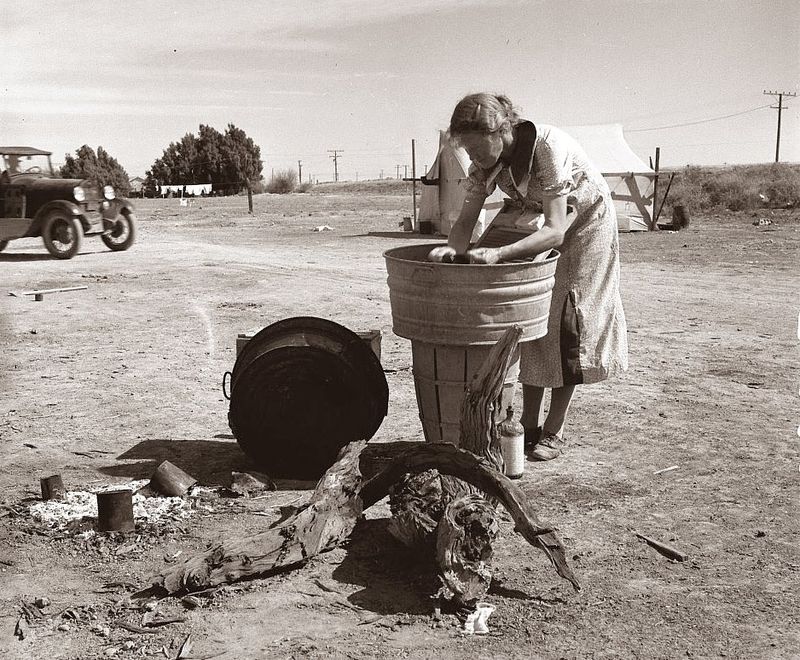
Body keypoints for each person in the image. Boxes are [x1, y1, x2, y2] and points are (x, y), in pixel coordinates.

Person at [429, 92, 628, 461]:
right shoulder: (484, 164)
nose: (473, 158)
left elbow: (555, 230)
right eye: (468, 151)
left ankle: (555, 428)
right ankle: (528, 422)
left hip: (584, 226)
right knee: (531, 318)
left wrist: (499, 254)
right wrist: (451, 251)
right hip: (534, 224)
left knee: (566, 321)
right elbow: (466, 220)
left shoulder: (546, 148)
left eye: (477, 149)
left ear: (501, 131)